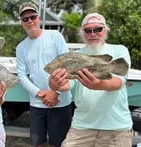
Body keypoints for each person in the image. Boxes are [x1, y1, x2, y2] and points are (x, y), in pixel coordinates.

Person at [49, 13, 133, 147]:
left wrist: (98, 85)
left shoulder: (119, 50)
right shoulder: (75, 56)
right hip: (82, 126)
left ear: (105, 30)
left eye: (97, 29)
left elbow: (119, 82)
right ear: (82, 33)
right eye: (87, 30)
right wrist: (54, 85)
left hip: (116, 128)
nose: (92, 33)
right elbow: (67, 84)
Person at [16, 2, 72, 147]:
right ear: (22, 23)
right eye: (25, 19)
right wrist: (40, 93)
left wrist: (55, 92)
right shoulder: (21, 47)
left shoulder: (55, 36)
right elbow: (22, 75)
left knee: (59, 144)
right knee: (36, 144)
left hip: (61, 102)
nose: (30, 21)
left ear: (38, 18)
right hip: (37, 104)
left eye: (32, 17)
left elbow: (67, 66)